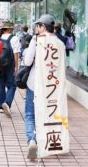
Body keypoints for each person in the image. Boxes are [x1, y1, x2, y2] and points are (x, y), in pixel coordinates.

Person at [23, 14, 56, 160]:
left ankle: (32, 140)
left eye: (38, 26)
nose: (37, 28)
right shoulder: (58, 41)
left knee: (30, 113)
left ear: (43, 27)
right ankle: (45, 141)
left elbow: (28, 60)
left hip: (34, 83)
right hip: (52, 85)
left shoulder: (37, 40)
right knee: (46, 114)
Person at [0, 20, 20, 117]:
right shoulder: (14, 38)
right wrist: (16, 66)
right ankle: (7, 103)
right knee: (12, 85)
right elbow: (16, 53)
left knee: (1, 85)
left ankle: (1, 107)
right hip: (10, 65)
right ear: (10, 28)